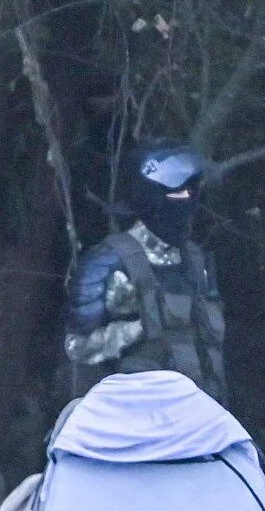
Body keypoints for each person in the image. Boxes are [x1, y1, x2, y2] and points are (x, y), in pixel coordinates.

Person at [65, 140, 227, 401]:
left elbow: (210, 343)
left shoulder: (196, 260)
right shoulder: (108, 262)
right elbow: (77, 347)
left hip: (202, 417)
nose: (188, 200)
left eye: (191, 191)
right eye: (179, 193)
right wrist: (136, 330)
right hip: (137, 421)